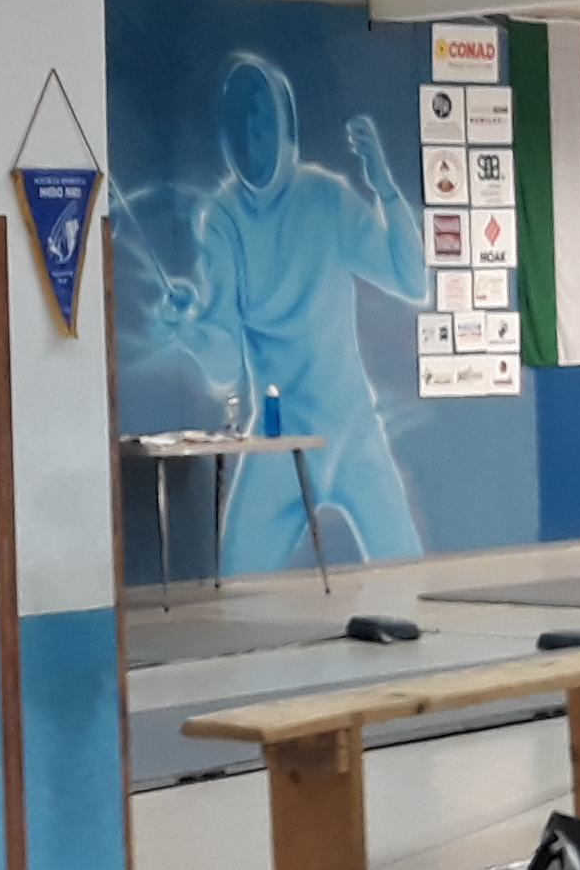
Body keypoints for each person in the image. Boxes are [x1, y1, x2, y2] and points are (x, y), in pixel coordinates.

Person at [155, 55, 425, 567]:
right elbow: (224, 366)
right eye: (240, 125)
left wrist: (386, 190)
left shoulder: (326, 198)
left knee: (411, 575)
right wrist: (189, 327)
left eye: (263, 122)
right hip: (279, 439)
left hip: (355, 428)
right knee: (238, 583)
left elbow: (411, 280)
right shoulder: (222, 220)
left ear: (288, 128)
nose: (252, 139)